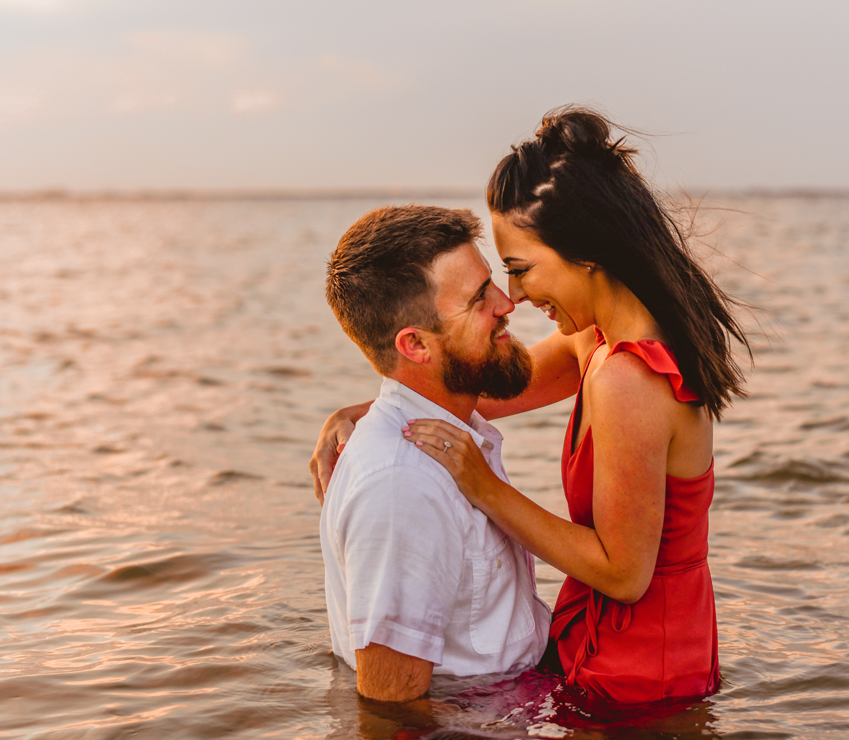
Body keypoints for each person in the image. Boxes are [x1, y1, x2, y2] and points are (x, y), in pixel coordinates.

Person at [312, 107, 749, 704]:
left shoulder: (629, 379)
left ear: (588, 252)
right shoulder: (592, 342)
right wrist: (362, 413)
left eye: (519, 270)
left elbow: (625, 574)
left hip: (642, 668)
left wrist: (483, 488)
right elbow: (480, 386)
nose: (512, 296)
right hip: (597, 646)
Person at [319, 203, 551, 703]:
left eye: (491, 281)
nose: (506, 304)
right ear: (416, 346)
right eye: (477, 299)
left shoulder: (450, 431)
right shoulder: (404, 485)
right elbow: (390, 713)